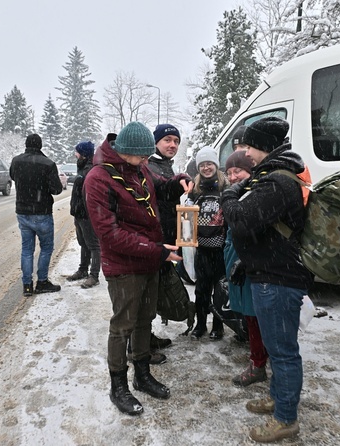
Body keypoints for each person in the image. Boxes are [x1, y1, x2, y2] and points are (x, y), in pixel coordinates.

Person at [84, 122, 191, 416]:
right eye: (142, 156)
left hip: (150, 261)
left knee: (145, 320)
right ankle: (118, 386)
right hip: (124, 266)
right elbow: (109, 234)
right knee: (123, 327)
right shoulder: (98, 179)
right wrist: (155, 250)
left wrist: (178, 180)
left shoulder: (140, 169)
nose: (147, 161)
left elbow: (161, 188)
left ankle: (142, 375)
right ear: (126, 152)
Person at [222, 117, 313, 443]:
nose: (244, 152)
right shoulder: (274, 176)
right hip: (270, 275)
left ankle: (285, 418)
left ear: (262, 146)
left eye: (248, 146)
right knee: (278, 349)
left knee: (284, 351)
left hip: (278, 280)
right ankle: (279, 398)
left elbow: (243, 222)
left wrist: (229, 195)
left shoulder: (277, 182)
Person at [223, 150, 269, 387]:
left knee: (256, 317)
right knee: (252, 316)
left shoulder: (253, 196)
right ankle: (259, 358)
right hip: (240, 262)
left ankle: (258, 363)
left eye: (237, 171)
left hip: (252, 267)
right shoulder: (239, 194)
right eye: (229, 172)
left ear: (250, 171)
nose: (232, 177)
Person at [9, 134, 64, 297]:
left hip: (23, 211)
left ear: (26, 145)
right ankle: (42, 282)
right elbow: (56, 189)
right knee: (46, 247)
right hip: (42, 212)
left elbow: (12, 176)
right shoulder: (48, 164)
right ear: (40, 146)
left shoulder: (16, 161)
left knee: (27, 249)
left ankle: (27, 285)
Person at [146, 124, 182, 350]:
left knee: (156, 288)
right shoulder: (149, 166)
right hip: (154, 239)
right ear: (156, 142)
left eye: (176, 141)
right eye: (167, 139)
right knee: (149, 291)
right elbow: (162, 193)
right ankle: (142, 342)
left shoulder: (165, 165)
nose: (172, 145)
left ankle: (145, 337)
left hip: (167, 237)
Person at [188, 146, 229, 340]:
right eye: (202, 165)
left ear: (216, 165)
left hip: (220, 249)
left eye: (209, 164)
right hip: (202, 249)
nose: (206, 168)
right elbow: (185, 215)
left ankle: (218, 326)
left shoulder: (225, 187)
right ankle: (201, 324)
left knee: (219, 290)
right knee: (201, 289)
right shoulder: (194, 190)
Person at [66, 140, 101, 288]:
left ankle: (94, 275)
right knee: (83, 243)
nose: (75, 155)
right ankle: (82, 270)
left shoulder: (91, 169)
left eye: (77, 152)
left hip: (87, 214)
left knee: (93, 245)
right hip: (79, 213)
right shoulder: (82, 167)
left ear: (84, 155)